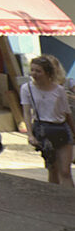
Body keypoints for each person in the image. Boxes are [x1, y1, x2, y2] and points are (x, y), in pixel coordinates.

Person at [21, 55, 74, 187]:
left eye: (38, 71)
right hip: (44, 131)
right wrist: (30, 135)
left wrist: (73, 132)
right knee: (53, 169)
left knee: (65, 171)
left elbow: (67, 113)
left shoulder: (59, 90)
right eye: (32, 70)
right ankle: (54, 199)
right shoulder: (26, 89)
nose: (34, 74)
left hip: (61, 129)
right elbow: (27, 112)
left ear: (47, 73)